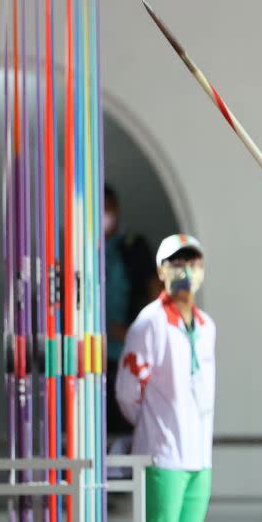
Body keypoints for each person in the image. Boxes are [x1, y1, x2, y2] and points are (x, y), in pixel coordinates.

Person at [116, 234, 228, 522]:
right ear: (161, 271)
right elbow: (128, 390)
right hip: (163, 454)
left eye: (193, 262)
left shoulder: (205, 324)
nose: (186, 270)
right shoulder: (150, 324)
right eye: (176, 262)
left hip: (199, 455)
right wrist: (152, 427)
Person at [104, 184, 162, 437]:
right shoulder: (82, 246)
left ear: (116, 209)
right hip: (94, 353)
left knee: (124, 419)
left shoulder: (134, 246)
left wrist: (132, 331)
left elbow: (153, 290)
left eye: (106, 208)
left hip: (125, 350)